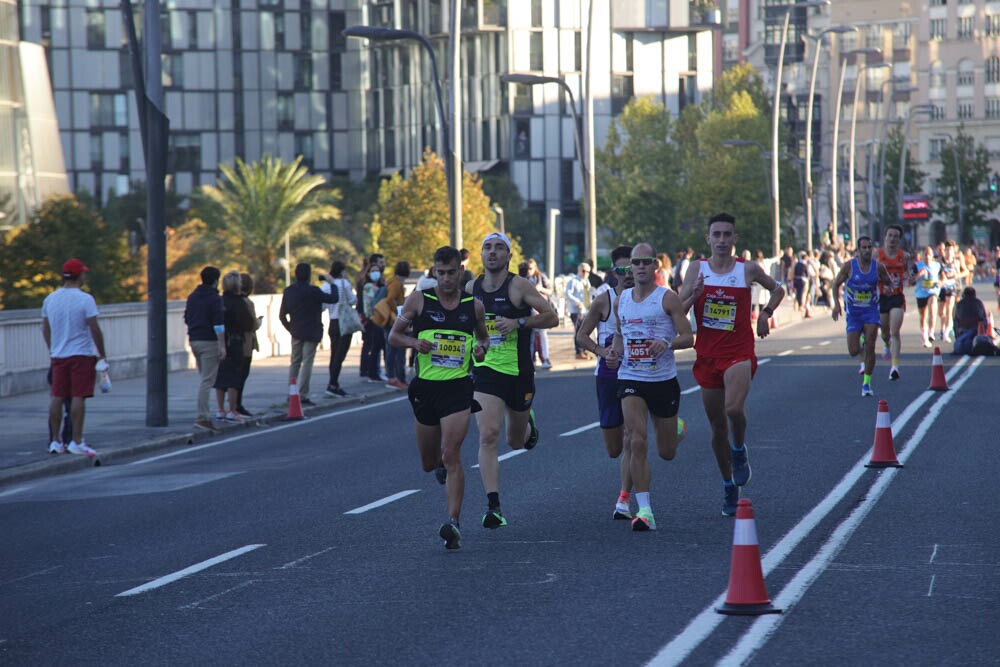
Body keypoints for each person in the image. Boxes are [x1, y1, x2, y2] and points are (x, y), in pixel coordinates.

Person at [679, 212, 785, 516]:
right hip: (707, 354)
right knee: (716, 429)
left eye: (728, 235)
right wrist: (694, 295)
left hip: (739, 351)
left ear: (735, 239)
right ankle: (728, 484)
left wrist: (765, 313)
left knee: (733, 409)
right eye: (717, 235)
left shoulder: (747, 269)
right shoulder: (696, 269)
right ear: (708, 239)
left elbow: (778, 289)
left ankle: (739, 450)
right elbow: (677, 309)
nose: (722, 240)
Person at [388, 246, 490, 550]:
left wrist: (482, 349)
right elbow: (394, 336)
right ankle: (440, 469)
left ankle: (453, 523)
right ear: (434, 272)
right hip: (425, 389)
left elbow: (483, 337)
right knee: (430, 462)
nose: (446, 278)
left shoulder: (474, 306)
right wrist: (413, 341)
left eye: (451, 272)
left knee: (452, 452)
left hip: (458, 388)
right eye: (440, 272)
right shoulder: (420, 299)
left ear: (461, 270)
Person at [468, 231, 559, 529]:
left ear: (508, 256)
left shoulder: (519, 286)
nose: (492, 252)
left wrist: (519, 322)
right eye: (487, 248)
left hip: (519, 372)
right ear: (481, 255)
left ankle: (527, 422)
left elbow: (552, 316)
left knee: (516, 441)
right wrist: (476, 347)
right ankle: (493, 506)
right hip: (486, 372)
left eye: (498, 248)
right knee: (488, 435)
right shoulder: (470, 288)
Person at [608, 243, 694, 531]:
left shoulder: (666, 298)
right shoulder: (622, 301)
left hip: (663, 381)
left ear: (655, 265)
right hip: (631, 377)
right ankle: (644, 509)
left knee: (666, 451)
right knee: (635, 439)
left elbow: (687, 336)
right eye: (636, 263)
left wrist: (666, 343)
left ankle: (676, 428)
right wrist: (613, 352)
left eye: (646, 262)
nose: (641, 267)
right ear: (630, 267)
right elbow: (620, 336)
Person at [575, 246, 636, 520]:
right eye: (622, 270)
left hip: (639, 375)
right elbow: (582, 336)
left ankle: (624, 499)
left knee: (632, 437)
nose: (628, 274)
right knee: (614, 449)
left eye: (632, 268)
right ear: (613, 272)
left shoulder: (653, 299)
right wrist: (602, 352)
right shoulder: (604, 300)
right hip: (608, 376)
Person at [41, 258, 108, 457]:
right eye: (83, 273)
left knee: (57, 397)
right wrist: (102, 354)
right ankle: (76, 441)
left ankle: (55, 441)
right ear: (79, 276)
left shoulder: (50, 299)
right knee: (79, 396)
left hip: (58, 355)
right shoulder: (85, 299)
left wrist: (52, 349)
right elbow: (94, 328)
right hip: (81, 355)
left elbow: (45, 328)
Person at [831, 236, 894, 397]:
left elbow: (889, 283)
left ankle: (866, 383)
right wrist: (837, 304)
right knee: (853, 351)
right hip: (854, 313)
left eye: (869, 247)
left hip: (871, 311)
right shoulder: (849, 267)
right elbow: (836, 284)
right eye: (864, 248)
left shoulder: (878, 267)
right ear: (858, 251)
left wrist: (888, 289)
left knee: (871, 345)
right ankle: (861, 343)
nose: (867, 250)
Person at [279, 262, 339, 406]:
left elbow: (282, 315)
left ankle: (291, 392)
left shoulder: (289, 291)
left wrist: (291, 328)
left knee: (294, 362)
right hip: (312, 331)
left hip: (296, 331)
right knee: (307, 363)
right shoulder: (314, 291)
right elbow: (333, 299)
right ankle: (303, 394)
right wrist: (332, 284)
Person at [184, 266, 226, 432]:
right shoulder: (215, 299)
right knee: (207, 381)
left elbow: (187, 317)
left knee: (204, 378)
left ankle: (204, 415)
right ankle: (203, 417)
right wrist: (222, 345)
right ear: (216, 281)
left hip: (194, 339)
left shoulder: (192, 297)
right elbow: (218, 324)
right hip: (209, 341)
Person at [214, 270, 256, 421]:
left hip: (219, 342)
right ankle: (232, 409)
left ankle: (220, 409)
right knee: (234, 378)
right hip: (235, 341)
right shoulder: (239, 303)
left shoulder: (219, 301)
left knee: (220, 377)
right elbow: (248, 324)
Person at [876, 224, 913, 381]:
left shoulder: (904, 256)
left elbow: (907, 272)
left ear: (899, 239)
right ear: (885, 237)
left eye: (895, 236)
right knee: (885, 333)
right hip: (882, 297)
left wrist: (909, 277)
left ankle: (895, 367)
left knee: (894, 331)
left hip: (897, 297)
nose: (892, 239)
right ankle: (886, 344)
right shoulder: (876, 255)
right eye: (890, 235)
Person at [322, 260, 357, 398]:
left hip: (333, 322)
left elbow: (323, 306)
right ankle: (333, 384)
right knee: (340, 356)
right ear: (342, 271)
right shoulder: (344, 284)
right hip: (344, 322)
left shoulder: (325, 286)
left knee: (334, 354)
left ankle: (333, 384)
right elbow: (353, 300)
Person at [236, 273, 262, 416]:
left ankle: (233, 405)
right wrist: (258, 322)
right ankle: (237, 404)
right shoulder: (247, 303)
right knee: (242, 374)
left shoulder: (229, 301)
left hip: (233, 342)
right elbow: (251, 324)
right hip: (246, 343)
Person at [382, 260, 411, 389]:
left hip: (389, 319)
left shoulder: (391, 280)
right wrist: (398, 310)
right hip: (393, 319)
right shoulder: (397, 283)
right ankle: (396, 377)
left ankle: (395, 377)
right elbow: (390, 299)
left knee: (392, 349)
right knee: (395, 350)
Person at [525, 258, 554, 369]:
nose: (529, 271)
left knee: (542, 335)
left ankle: (545, 358)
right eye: (527, 269)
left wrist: (541, 289)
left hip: (542, 310)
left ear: (535, 268)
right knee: (530, 336)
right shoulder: (524, 279)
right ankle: (532, 359)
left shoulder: (541, 278)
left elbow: (550, 291)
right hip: (530, 311)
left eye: (531, 268)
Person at [913, 246, 941, 348]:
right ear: (922, 256)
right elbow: (909, 282)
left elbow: (943, 278)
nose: (927, 257)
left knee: (933, 307)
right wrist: (919, 275)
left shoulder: (937, 265)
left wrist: (941, 282)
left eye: (929, 254)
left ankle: (931, 332)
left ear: (932, 256)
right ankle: (924, 337)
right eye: (925, 254)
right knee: (923, 316)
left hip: (932, 291)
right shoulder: (917, 266)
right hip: (920, 293)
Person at [565, 262, 593, 359]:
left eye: (588, 271)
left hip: (585, 310)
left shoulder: (586, 282)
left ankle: (583, 351)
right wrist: (577, 302)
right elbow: (568, 294)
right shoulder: (573, 281)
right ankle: (579, 352)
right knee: (579, 331)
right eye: (583, 271)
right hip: (576, 311)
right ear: (579, 271)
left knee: (584, 331)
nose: (585, 273)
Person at [937, 242, 962, 344]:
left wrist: (957, 275)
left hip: (952, 287)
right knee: (941, 312)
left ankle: (946, 332)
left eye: (951, 250)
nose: (949, 252)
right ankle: (946, 328)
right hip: (942, 288)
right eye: (947, 250)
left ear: (953, 251)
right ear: (944, 251)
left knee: (949, 309)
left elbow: (963, 272)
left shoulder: (956, 262)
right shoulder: (940, 261)